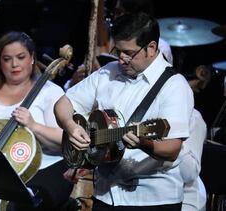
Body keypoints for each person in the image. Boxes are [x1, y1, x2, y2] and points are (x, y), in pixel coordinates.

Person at [54, 12, 194, 210]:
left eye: (129, 53)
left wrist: (145, 144)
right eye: (117, 51)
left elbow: (172, 149)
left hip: (152, 199)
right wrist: (70, 126)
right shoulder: (108, 72)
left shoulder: (174, 86)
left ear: (151, 48)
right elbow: (64, 103)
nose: (121, 59)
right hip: (105, 193)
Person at [0, 31, 75, 210]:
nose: (14, 64)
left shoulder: (50, 92)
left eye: (21, 57)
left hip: (43, 170)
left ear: (32, 58)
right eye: (7, 59)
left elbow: (66, 139)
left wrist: (33, 126)